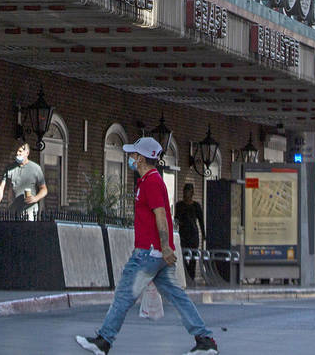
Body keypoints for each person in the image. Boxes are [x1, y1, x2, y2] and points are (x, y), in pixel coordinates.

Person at [76, 137, 219, 354]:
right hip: (157, 253)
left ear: (141, 158)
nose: (131, 158)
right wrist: (165, 248)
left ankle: (104, 341)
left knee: (124, 295)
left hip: (148, 253)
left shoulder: (151, 181)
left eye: (133, 154)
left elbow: (160, 215)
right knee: (177, 296)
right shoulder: (149, 180)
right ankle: (205, 340)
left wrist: (164, 246)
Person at [0, 141, 47, 219]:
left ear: (27, 153)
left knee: (26, 230)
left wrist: (36, 198)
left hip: (29, 209)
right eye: (16, 151)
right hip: (13, 208)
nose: (17, 153)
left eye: (20, 151)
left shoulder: (35, 168)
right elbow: (1, 188)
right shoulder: (10, 168)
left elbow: (44, 189)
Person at [175, 183, 205, 281]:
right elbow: (176, 219)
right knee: (182, 256)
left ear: (192, 193)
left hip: (193, 235)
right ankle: (186, 274)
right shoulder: (179, 205)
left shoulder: (196, 206)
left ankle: (191, 277)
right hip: (183, 235)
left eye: (189, 191)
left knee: (193, 257)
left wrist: (204, 234)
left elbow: (201, 221)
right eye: (185, 191)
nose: (187, 193)